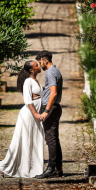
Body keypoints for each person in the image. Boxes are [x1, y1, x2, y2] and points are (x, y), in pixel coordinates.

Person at [0, 60, 45, 178]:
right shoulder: (28, 81)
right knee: (22, 141)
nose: (39, 66)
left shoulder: (35, 81)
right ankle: (4, 166)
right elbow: (28, 100)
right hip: (28, 115)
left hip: (35, 114)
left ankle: (33, 169)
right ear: (31, 70)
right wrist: (36, 114)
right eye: (36, 65)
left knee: (34, 140)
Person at [34, 51, 64, 179]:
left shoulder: (51, 72)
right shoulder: (55, 71)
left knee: (50, 139)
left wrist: (46, 111)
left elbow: (53, 93)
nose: (40, 65)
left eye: (40, 62)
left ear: (45, 60)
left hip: (51, 108)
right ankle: (58, 168)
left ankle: (51, 168)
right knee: (54, 139)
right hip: (54, 108)